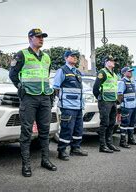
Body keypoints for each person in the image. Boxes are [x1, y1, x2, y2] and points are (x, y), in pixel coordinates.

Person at [9, 28, 57, 177]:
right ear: (30, 38)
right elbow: (12, 74)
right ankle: (26, 165)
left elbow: (46, 75)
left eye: (42, 37)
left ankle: (45, 160)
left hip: (44, 97)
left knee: (45, 131)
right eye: (38, 37)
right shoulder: (22, 54)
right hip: (29, 97)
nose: (41, 39)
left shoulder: (47, 57)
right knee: (26, 132)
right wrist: (21, 88)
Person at [53, 50, 88, 160]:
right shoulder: (62, 70)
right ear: (66, 58)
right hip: (67, 106)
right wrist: (63, 100)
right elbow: (56, 88)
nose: (75, 58)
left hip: (78, 106)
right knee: (66, 129)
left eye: (76, 56)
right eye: (72, 56)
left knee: (78, 129)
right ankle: (62, 150)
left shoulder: (77, 72)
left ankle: (75, 148)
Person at [93, 55, 121, 153]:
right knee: (104, 123)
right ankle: (102, 145)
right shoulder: (102, 72)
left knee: (112, 123)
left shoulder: (114, 74)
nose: (113, 62)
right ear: (106, 62)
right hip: (105, 101)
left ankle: (109, 143)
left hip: (113, 101)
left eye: (114, 60)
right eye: (111, 60)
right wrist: (100, 98)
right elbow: (95, 88)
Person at [117, 67, 136, 148]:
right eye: (129, 71)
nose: (131, 72)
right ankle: (122, 141)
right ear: (124, 73)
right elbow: (119, 95)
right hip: (126, 106)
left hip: (133, 106)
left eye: (131, 71)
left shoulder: (132, 82)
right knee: (124, 124)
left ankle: (131, 139)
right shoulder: (122, 82)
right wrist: (121, 105)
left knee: (132, 123)